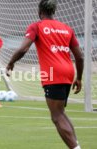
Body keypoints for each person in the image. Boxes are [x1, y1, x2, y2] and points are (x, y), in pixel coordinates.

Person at [6, 0, 83, 148]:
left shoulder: (37, 26)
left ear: (39, 11)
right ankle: (76, 144)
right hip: (68, 71)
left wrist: (11, 63)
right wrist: (78, 78)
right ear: (53, 11)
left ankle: (75, 147)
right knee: (61, 112)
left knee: (56, 116)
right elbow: (79, 57)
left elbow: (23, 49)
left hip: (53, 73)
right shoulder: (67, 28)